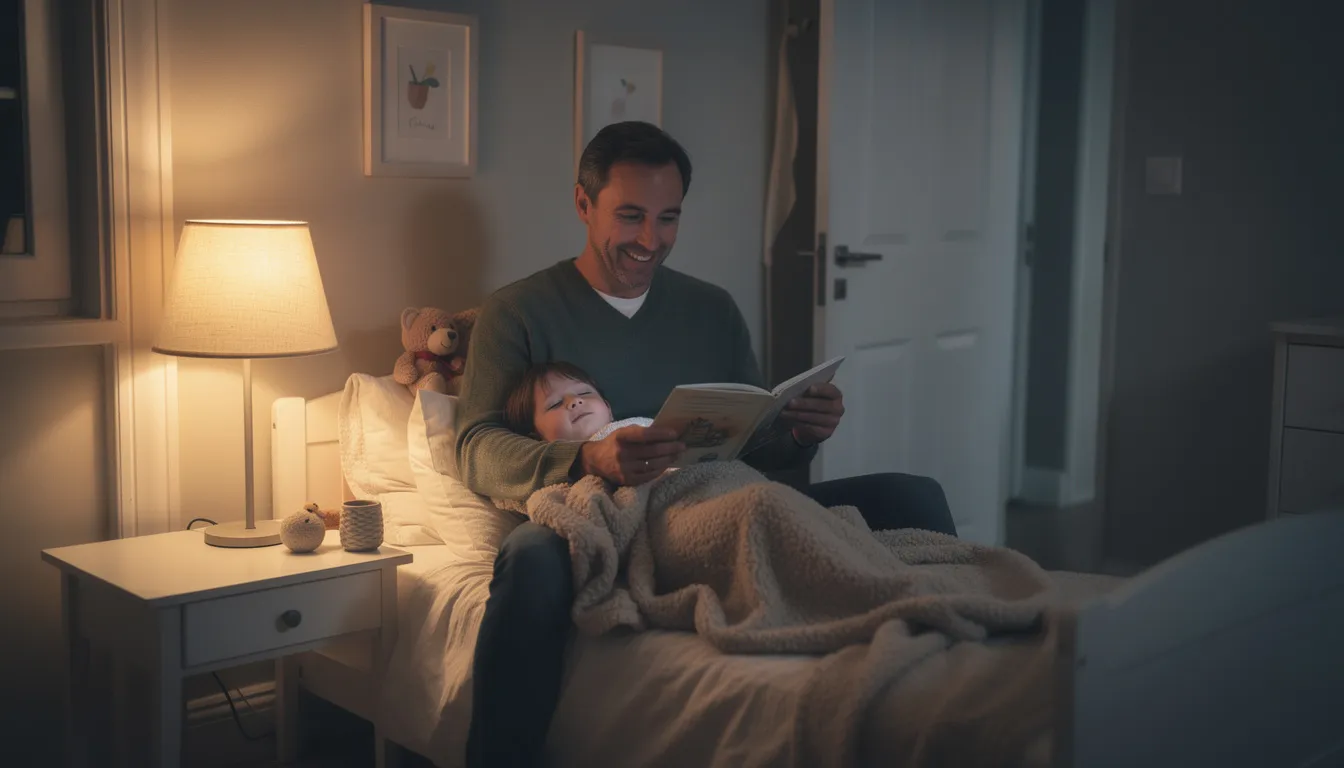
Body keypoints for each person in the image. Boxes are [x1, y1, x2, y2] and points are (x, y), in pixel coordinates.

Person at [454, 121, 956, 768]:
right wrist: (587, 456)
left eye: (668, 218)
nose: (649, 240)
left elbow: (755, 443)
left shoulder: (711, 309)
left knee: (911, 496)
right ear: (583, 204)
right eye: (629, 215)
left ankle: (954, 647)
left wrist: (797, 430)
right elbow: (474, 447)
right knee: (530, 558)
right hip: (610, 519)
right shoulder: (518, 312)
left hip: (717, 502)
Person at [503, 360, 652, 444]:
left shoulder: (638, 425)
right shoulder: (556, 473)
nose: (575, 401)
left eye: (584, 393)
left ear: (608, 408)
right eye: (555, 404)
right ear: (536, 436)